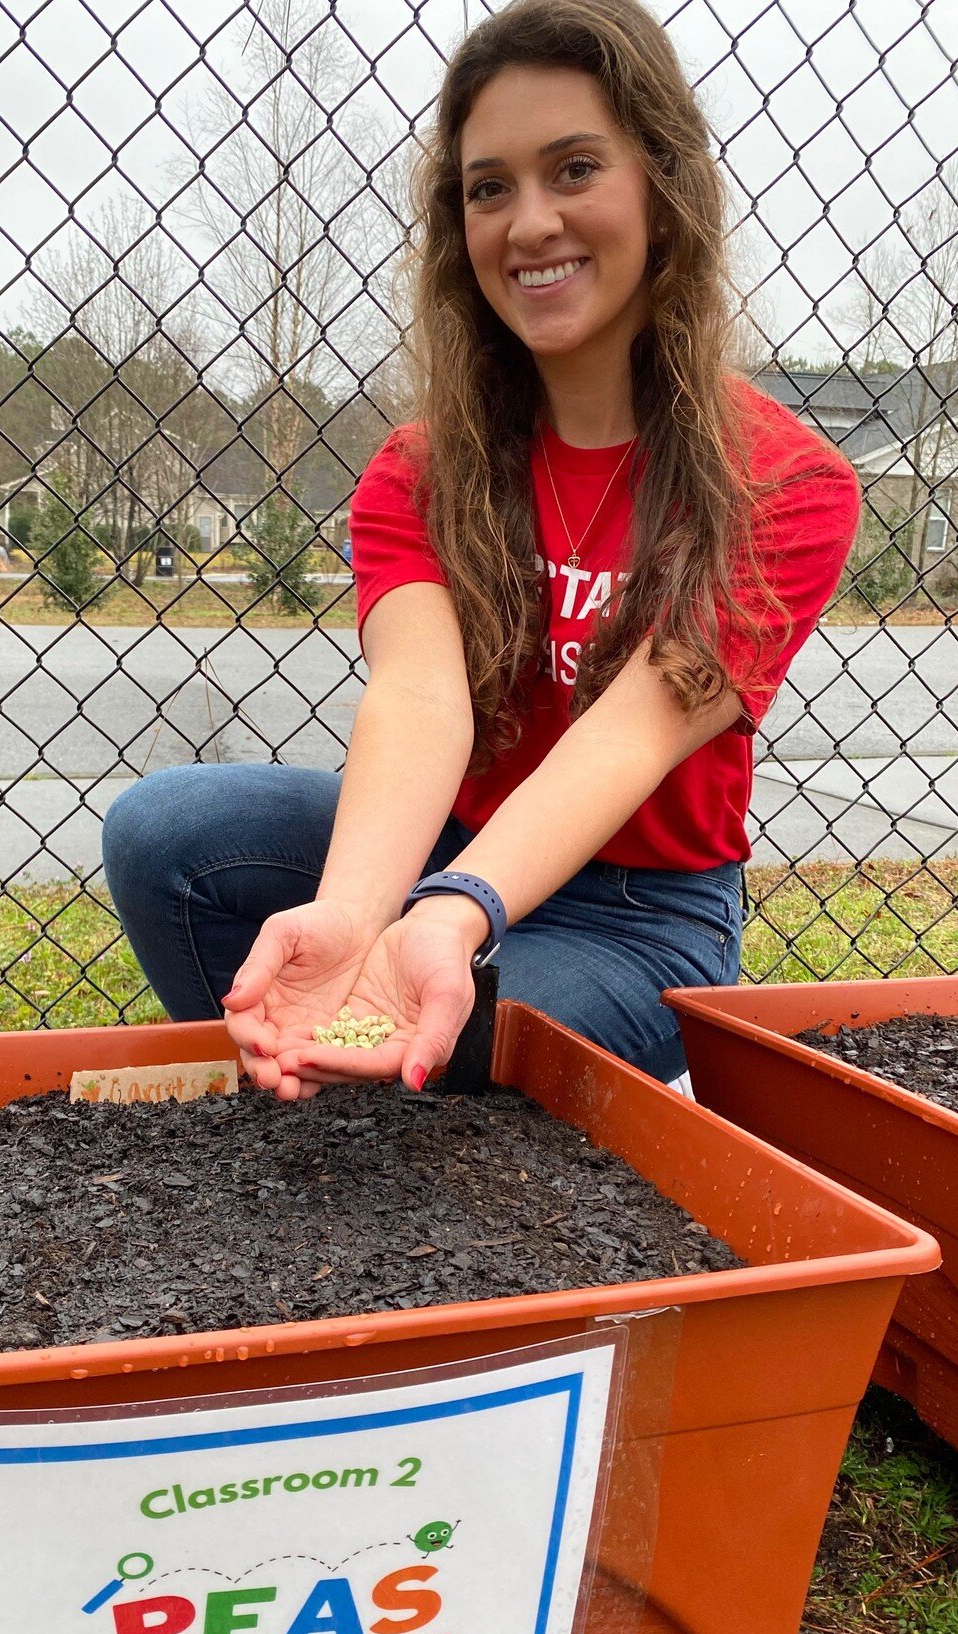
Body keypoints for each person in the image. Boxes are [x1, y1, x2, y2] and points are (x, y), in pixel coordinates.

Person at [102, 0, 860, 1102]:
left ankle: (391, 1142)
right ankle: (297, 1107)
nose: (530, 222)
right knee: (168, 833)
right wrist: (362, 912)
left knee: (441, 1049)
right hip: (449, 846)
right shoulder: (423, 469)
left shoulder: (784, 484)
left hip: (642, 912)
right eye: (489, 187)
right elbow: (419, 699)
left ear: (663, 185)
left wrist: (452, 914)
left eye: (575, 169)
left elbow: (635, 732)